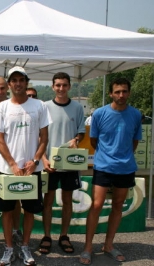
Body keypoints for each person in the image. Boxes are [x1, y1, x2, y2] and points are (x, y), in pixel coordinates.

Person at [0, 66, 51, 266]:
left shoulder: (40, 106)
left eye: (21, 80)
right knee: (7, 211)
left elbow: (44, 138)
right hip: (8, 171)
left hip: (31, 170)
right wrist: (12, 164)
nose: (18, 83)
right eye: (14, 80)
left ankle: (25, 246)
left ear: (26, 82)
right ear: (9, 85)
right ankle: (9, 248)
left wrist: (34, 161)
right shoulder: (2, 107)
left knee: (29, 210)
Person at [79, 78, 141, 265]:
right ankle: (88, 247)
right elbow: (94, 142)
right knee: (96, 205)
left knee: (118, 205)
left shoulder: (136, 114)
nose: (121, 95)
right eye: (117, 92)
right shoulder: (99, 113)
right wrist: (108, 156)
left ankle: (108, 245)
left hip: (126, 167)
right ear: (111, 93)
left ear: (129, 93)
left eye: (124, 91)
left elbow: (134, 141)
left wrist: (123, 156)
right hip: (104, 166)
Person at [40, 72, 85, 254]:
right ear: (52, 86)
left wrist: (76, 139)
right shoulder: (45, 107)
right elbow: (40, 136)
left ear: (69, 87)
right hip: (50, 162)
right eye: (57, 85)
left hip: (69, 163)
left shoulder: (77, 107)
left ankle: (64, 236)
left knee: (67, 200)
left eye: (64, 85)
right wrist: (43, 158)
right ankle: (47, 236)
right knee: (48, 201)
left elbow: (81, 132)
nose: (61, 88)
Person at [0, 77, 23, 248]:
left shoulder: (15, 105)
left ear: (7, 88)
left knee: (14, 198)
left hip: (12, 163)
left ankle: (15, 230)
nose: (0, 92)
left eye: (3, 88)